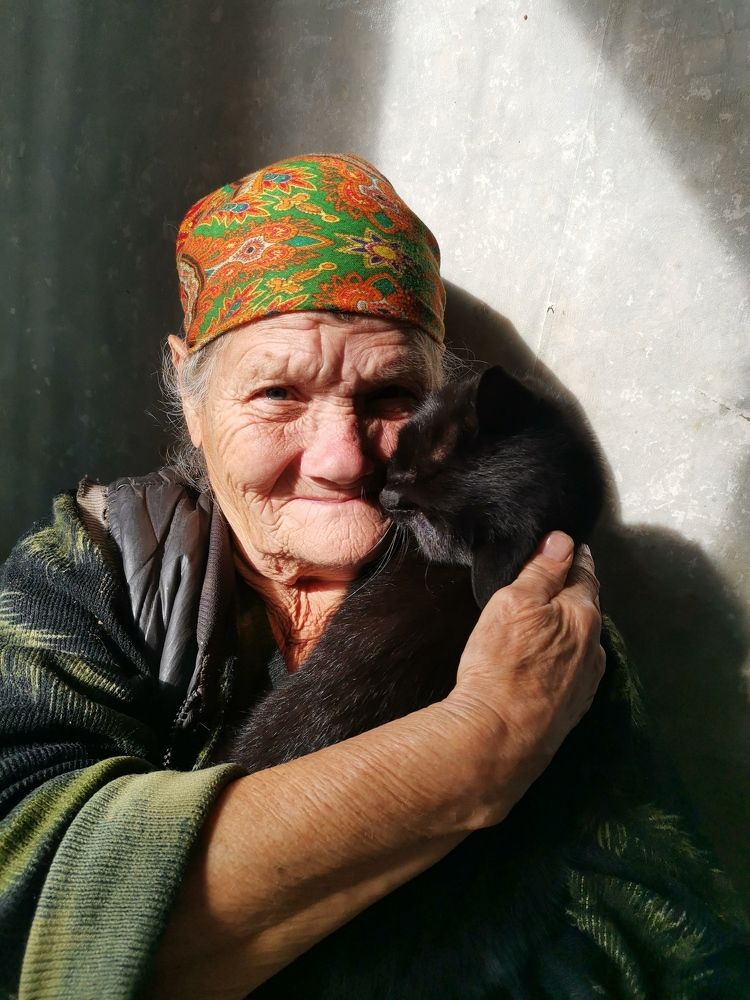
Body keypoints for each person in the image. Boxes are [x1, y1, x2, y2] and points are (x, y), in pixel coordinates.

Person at [0, 154, 746, 999]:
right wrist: (478, 745)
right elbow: (23, 907)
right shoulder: (97, 569)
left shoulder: (513, 600)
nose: (344, 459)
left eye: (391, 395)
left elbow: (672, 937)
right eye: (278, 393)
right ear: (193, 398)